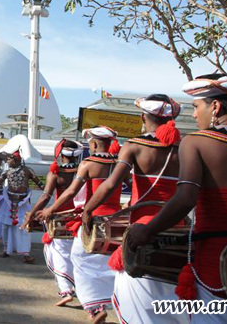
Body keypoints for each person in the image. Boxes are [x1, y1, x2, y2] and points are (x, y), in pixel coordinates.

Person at [126, 74, 227, 324]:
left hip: (215, 273)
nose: (193, 115)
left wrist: (148, 230)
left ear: (215, 107)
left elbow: (186, 199)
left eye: (196, 106)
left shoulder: (197, 142)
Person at [83, 96, 187, 323]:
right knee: (169, 293)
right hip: (177, 228)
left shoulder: (135, 146)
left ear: (144, 117)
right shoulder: (187, 148)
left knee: (133, 292)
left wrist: (88, 211)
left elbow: (111, 185)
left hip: (142, 230)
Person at [36, 126, 120, 324]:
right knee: (109, 263)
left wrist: (50, 210)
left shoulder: (89, 163)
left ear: (92, 143)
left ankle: (94, 306)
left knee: (79, 259)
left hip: (93, 220)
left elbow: (71, 192)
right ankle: (111, 301)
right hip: (116, 219)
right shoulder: (119, 165)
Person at [23, 139, 83, 307]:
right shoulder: (85, 171)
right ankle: (81, 288)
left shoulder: (56, 173)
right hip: (82, 218)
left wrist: (32, 214)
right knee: (77, 254)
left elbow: (45, 196)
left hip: (61, 219)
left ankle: (66, 290)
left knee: (58, 252)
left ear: (59, 154)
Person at [0, 151, 44, 263]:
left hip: (23, 203)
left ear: (15, 159)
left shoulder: (27, 171)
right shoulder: (7, 172)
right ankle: (6, 250)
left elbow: (39, 182)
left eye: (9, 159)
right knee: (5, 227)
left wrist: (46, 189)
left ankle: (25, 253)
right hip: (9, 203)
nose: (7, 161)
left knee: (23, 228)